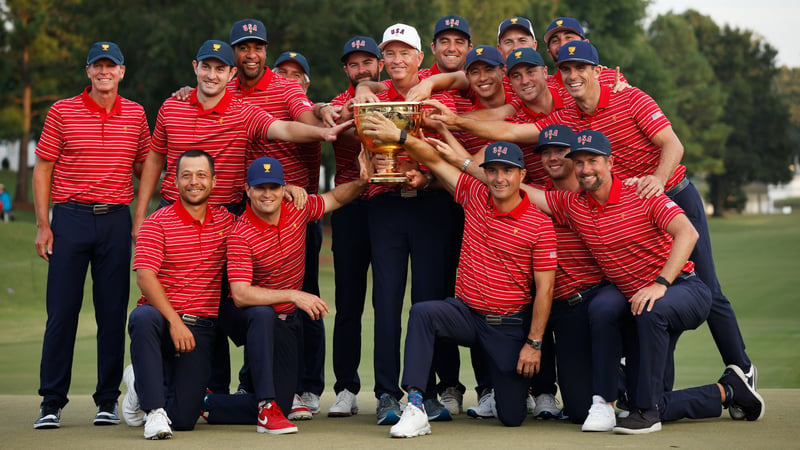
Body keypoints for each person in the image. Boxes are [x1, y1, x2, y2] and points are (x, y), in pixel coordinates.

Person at [523, 129, 764, 434]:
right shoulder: (574, 205)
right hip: (641, 302)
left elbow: (688, 233)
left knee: (650, 320)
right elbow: (523, 191)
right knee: (638, 379)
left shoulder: (641, 192)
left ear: (610, 162)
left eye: (593, 161)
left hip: (684, 289)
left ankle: (647, 414)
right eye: (580, 162)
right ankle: (727, 392)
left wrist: (661, 283)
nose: (586, 169)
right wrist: (464, 162)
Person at [359, 113, 557, 438]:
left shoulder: (539, 224)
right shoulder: (475, 197)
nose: (499, 178)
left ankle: (504, 391)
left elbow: (545, 290)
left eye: (507, 171)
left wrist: (533, 343)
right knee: (424, 312)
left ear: (521, 175)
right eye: (492, 171)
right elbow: (434, 161)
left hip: (507, 325)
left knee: (511, 416)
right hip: (465, 315)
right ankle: (416, 404)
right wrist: (402, 135)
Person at [201, 151, 370, 433]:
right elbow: (241, 295)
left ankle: (205, 402)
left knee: (284, 399)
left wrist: (362, 181)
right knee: (262, 312)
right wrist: (293, 294)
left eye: (273, 187)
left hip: (284, 320)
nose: (267, 194)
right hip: (244, 318)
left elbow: (336, 198)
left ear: (283, 189)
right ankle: (265, 408)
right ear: (248, 190)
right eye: (260, 188)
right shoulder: (240, 233)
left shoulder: (298, 209)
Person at [32, 41, 150, 429]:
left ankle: (106, 400)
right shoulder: (61, 110)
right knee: (62, 313)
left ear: (121, 72)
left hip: (115, 221)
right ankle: (51, 402)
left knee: (112, 314)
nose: (103, 72)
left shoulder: (135, 114)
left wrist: (146, 214)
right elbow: (44, 169)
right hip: (70, 218)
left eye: (110, 66)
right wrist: (43, 224)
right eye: (97, 66)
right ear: (88, 72)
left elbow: (144, 166)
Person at [353, 23, 461, 426]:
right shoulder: (369, 96)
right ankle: (385, 393)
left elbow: (449, 156)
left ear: (420, 57)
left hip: (431, 204)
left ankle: (424, 391)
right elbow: (349, 134)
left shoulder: (440, 95)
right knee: (386, 303)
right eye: (391, 54)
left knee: (428, 303)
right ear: (383, 60)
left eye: (405, 53)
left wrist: (430, 178)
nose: (397, 61)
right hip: (385, 205)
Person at [123, 149, 236, 440]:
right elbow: (145, 277)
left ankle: (139, 383)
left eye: (201, 175)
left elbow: (267, 210)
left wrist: (291, 192)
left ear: (214, 180)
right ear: (174, 181)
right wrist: (175, 322)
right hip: (162, 322)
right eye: (186, 175)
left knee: (184, 419)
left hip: (202, 328)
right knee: (142, 316)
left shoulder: (228, 223)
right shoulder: (156, 223)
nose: (193, 181)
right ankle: (153, 411)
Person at [325, 35, 383, 418]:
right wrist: (350, 113)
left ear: (379, 64)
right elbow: (332, 129)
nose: (361, 69)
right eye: (354, 64)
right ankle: (345, 387)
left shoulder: (395, 97)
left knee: (388, 302)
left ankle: (389, 389)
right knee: (348, 303)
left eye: (368, 62)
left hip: (388, 205)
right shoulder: (334, 107)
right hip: (348, 207)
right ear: (346, 69)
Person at [272, 49, 326, 418]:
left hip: (300, 215)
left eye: (297, 74)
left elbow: (315, 116)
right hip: (256, 215)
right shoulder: (250, 105)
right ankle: (258, 379)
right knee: (264, 301)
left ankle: (308, 384)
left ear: (305, 83)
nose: (290, 78)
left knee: (306, 297)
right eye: (284, 72)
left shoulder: (308, 112)